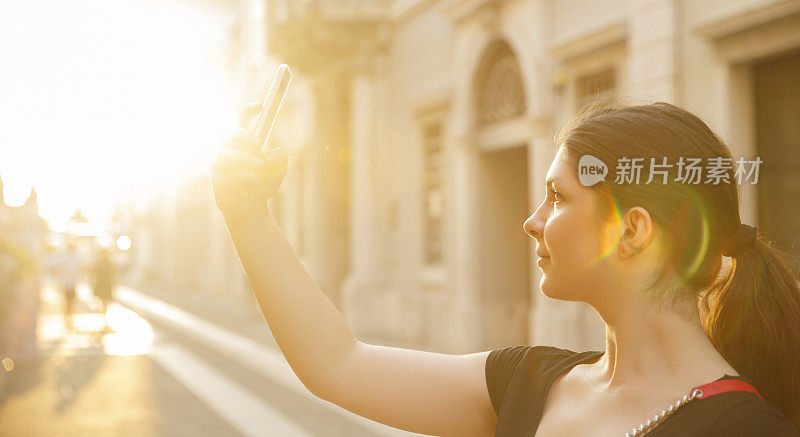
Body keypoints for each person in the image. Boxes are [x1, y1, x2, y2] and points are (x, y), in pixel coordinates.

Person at [211, 99, 800, 436]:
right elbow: (338, 365)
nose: (532, 220)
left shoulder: (746, 431)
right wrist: (246, 213)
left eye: (559, 197)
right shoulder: (529, 382)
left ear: (632, 229)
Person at [91, 246, 115, 317]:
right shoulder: (99, 263)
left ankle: (104, 312)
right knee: (103, 298)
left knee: (105, 299)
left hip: (106, 283)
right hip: (101, 282)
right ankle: (102, 312)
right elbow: (94, 273)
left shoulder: (108, 263)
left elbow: (113, 273)